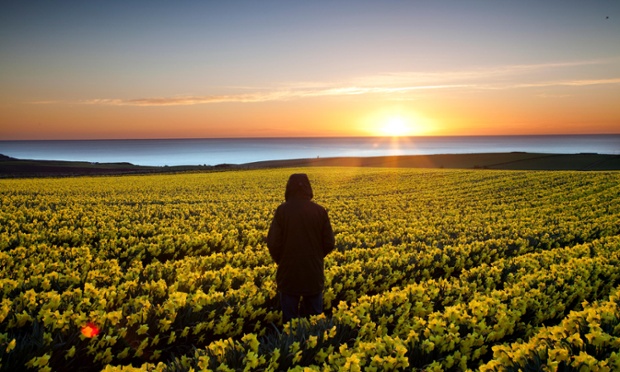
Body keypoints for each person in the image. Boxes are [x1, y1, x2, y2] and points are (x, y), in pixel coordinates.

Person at [267, 173, 335, 323]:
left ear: (288, 189)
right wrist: (316, 256)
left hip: (288, 272)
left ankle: (291, 344)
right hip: (313, 272)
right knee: (315, 320)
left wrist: (282, 260)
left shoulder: (282, 211)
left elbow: (273, 243)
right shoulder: (319, 211)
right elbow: (329, 242)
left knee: (289, 323)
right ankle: (314, 345)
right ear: (308, 188)